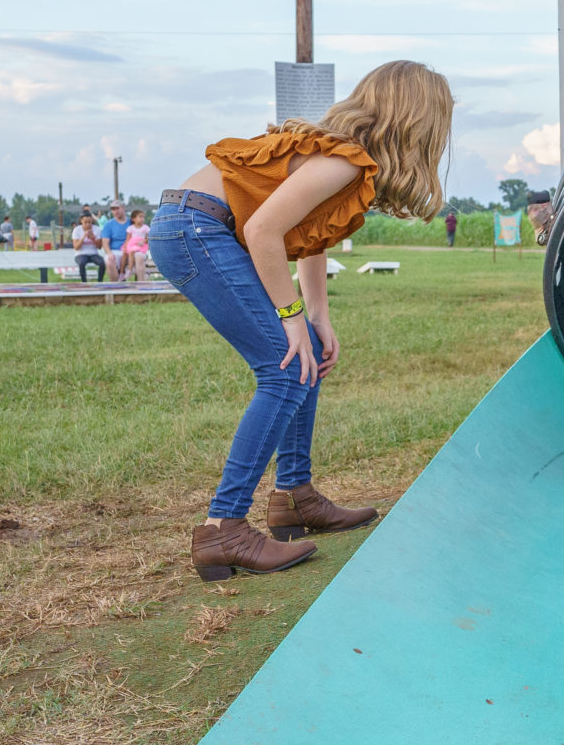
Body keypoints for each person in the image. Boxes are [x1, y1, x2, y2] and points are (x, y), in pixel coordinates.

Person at [151, 60, 454, 580]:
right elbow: (264, 230)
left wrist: (317, 317)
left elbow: (308, 236)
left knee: (303, 352)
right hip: (197, 229)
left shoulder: (340, 160)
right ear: (417, 121)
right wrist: (290, 316)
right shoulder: (342, 163)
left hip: (195, 226)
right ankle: (223, 529)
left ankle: (294, 497)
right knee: (286, 368)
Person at [97, 203, 131, 275]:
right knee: (110, 260)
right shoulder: (108, 224)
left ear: (123, 208)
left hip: (129, 251)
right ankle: (116, 281)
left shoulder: (131, 223)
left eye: (117, 208)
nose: (115, 211)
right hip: (114, 251)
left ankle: (140, 281)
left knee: (139, 258)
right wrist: (109, 253)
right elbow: (105, 243)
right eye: (113, 209)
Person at [72, 211, 106, 282]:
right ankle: (84, 282)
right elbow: (76, 247)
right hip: (81, 254)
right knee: (82, 263)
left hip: (93, 253)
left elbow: (99, 247)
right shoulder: (77, 230)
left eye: (90, 222)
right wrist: (83, 237)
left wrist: (93, 238)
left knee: (102, 263)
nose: (88, 224)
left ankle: (100, 281)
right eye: (85, 222)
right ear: (81, 221)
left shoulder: (97, 229)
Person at [122, 209, 151, 281]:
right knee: (131, 252)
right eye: (140, 217)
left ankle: (130, 269)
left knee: (135, 253)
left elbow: (149, 238)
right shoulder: (130, 228)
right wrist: (125, 247)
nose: (142, 219)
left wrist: (144, 241)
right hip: (133, 245)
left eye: (143, 217)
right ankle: (131, 269)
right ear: (133, 219)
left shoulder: (145, 227)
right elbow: (128, 239)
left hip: (141, 246)